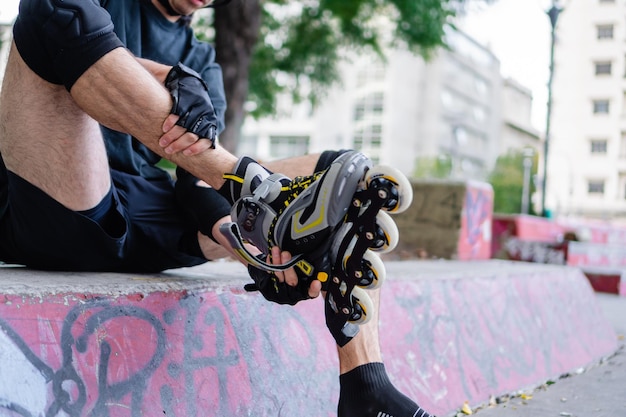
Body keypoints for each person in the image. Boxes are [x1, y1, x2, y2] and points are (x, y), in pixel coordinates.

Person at [0, 0, 433, 416]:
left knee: (353, 181)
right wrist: (166, 75)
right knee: (51, 5)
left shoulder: (203, 61)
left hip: (151, 228)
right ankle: (258, 191)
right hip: (64, 204)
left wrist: (252, 251)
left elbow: (194, 185)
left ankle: (365, 385)